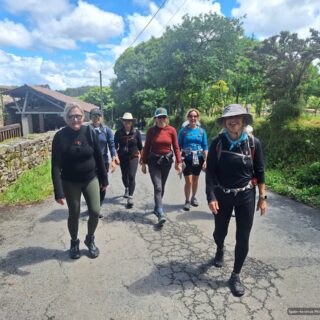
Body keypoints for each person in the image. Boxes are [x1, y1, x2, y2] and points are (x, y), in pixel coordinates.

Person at [206, 104, 267, 297]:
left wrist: (262, 197)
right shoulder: (217, 142)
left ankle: (235, 275)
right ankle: (220, 248)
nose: (233, 121)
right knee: (219, 232)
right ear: (224, 121)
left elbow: (260, 171)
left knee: (243, 236)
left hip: (246, 196)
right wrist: (211, 196)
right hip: (222, 196)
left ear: (243, 120)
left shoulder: (253, 143)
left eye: (237, 117)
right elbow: (210, 173)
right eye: (229, 118)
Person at [51, 103, 108, 259]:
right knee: (74, 213)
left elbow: (98, 156)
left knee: (95, 211)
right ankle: (74, 242)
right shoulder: (60, 137)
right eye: (72, 116)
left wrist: (104, 178)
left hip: (90, 179)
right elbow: (55, 166)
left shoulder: (89, 132)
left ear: (83, 117)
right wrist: (58, 191)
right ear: (66, 118)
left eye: (78, 116)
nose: (75, 119)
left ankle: (90, 239)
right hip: (70, 182)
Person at [141, 107, 183, 225]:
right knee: (158, 187)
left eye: (163, 117)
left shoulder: (172, 130)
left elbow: (176, 147)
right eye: (159, 117)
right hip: (153, 161)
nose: (161, 119)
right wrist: (143, 163)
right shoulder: (151, 131)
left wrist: (178, 162)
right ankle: (160, 212)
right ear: (155, 119)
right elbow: (146, 147)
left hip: (166, 161)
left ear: (167, 118)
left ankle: (156, 207)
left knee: (161, 186)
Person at [89, 108, 119, 212]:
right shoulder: (86, 130)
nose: (96, 118)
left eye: (98, 116)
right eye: (94, 116)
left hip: (103, 162)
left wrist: (114, 157)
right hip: (90, 162)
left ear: (101, 118)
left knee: (102, 184)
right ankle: (93, 206)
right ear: (91, 118)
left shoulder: (107, 130)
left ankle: (99, 205)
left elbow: (111, 144)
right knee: (92, 185)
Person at [178, 108, 208, 211]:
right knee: (189, 181)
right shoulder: (183, 131)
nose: (193, 118)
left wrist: (205, 160)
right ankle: (187, 201)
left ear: (197, 118)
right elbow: (178, 146)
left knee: (195, 179)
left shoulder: (201, 131)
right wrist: (178, 161)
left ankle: (193, 197)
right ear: (188, 118)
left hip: (198, 158)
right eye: (191, 116)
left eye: (195, 116)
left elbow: (205, 146)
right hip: (187, 158)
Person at [114, 112, 143, 208]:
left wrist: (143, 158)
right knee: (124, 176)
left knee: (131, 175)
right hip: (122, 157)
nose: (127, 123)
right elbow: (114, 146)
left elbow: (140, 147)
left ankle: (130, 197)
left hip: (133, 156)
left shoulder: (136, 132)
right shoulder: (118, 133)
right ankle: (126, 187)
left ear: (132, 122)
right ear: (123, 122)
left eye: (129, 121)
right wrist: (115, 158)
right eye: (126, 121)